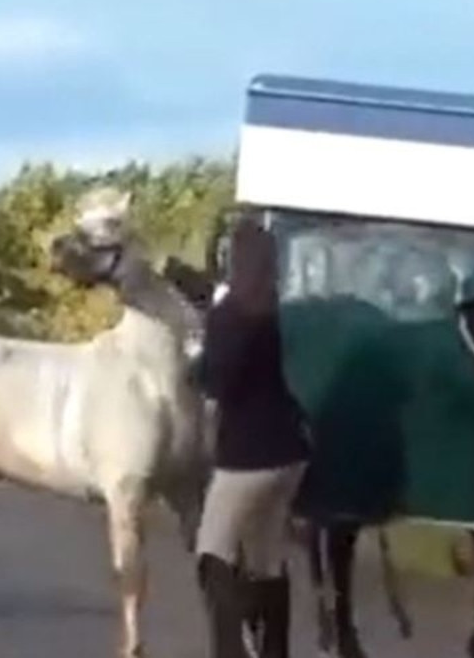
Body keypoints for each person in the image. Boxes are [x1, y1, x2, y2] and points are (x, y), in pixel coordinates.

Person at [196, 215, 311, 658]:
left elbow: (217, 383)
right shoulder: (275, 307)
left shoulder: (231, 314)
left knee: (213, 554)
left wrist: (197, 361)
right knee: (266, 559)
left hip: (246, 455)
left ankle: (231, 651)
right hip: (289, 451)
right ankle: (274, 648)